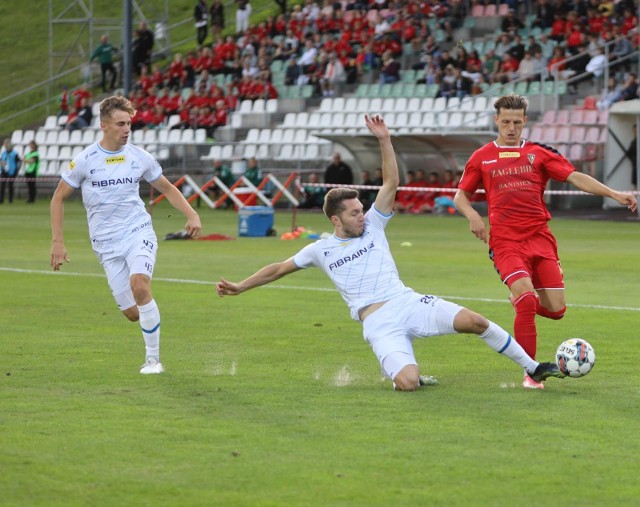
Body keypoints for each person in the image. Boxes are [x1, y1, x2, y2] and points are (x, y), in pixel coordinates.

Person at [216, 114, 564, 392]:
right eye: (354, 212)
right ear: (336, 220)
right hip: (378, 322)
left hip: (408, 302)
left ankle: (533, 367)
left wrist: (385, 140)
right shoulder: (319, 249)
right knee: (408, 384)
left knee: (476, 322)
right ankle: (404, 371)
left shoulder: (374, 225)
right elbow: (278, 268)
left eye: (361, 208)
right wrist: (241, 286)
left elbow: (390, 184)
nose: (362, 214)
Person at [453, 95, 638, 390]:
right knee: (527, 301)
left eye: (516, 122)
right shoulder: (482, 156)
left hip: (540, 238)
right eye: (505, 122)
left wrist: (614, 194)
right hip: (505, 242)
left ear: (525, 121)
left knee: (556, 310)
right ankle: (532, 373)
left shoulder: (539, 153)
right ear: (496, 121)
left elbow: (575, 177)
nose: (511, 127)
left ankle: (521, 302)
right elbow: (460, 195)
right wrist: (473, 216)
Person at [50, 96, 202, 374]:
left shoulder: (139, 157)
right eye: (120, 124)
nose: (126, 129)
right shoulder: (85, 160)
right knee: (133, 313)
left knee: (140, 285)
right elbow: (57, 198)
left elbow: (167, 188)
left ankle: (153, 360)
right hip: (105, 244)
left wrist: (191, 214)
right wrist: (58, 242)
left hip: (137, 231)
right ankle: (148, 316)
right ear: (104, 125)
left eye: (129, 123)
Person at [0, 140, 21, 205]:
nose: (5, 145)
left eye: (6, 144)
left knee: (10, 185)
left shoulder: (14, 153)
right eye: (5, 144)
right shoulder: (3, 153)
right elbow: (0, 161)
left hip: (12, 172)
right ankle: (1, 199)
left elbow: (18, 162)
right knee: (2, 185)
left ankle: (10, 200)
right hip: (4, 171)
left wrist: (16, 171)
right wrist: (2, 163)